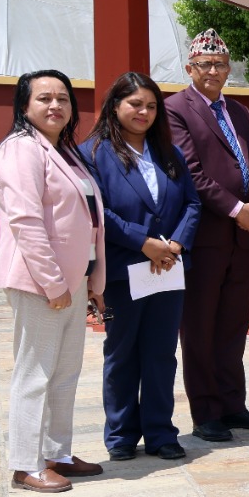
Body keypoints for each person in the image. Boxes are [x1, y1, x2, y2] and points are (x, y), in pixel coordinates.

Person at [0, 69, 108, 493]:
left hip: (72, 280)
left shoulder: (65, 152)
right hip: (41, 282)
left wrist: (93, 279)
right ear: (24, 106)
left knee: (65, 371)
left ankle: (57, 453)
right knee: (35, 372)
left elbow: (87, 222)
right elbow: (25, 220)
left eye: (63, 98)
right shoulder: (20, 149)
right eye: (44, 98)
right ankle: (25, 464)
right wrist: (53, 284)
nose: (55, 105)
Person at [81, 72, 200, 462]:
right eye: (135, 104)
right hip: (123, 270)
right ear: (115, 105)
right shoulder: (92, 154)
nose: (144, 112)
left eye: (151, 106)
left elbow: (192, 203)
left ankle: (161, 432)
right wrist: (143, 242)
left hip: (168, 268)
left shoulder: (169, 152)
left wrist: (176, 243)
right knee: (122, 353)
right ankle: (120, 435)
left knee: (161, 353)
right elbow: (99, 213)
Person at [165, 29, 249, 443]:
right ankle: (206, 412)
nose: (213, 70)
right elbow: (190, 172)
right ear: (190, 68)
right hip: (206, 236)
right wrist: (235, 209)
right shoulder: (176, 109)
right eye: (205, 64)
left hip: (241, 238)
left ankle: (232, 404)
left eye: (220, 64)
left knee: (233, 324)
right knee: (200, 326)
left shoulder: (240, 111)